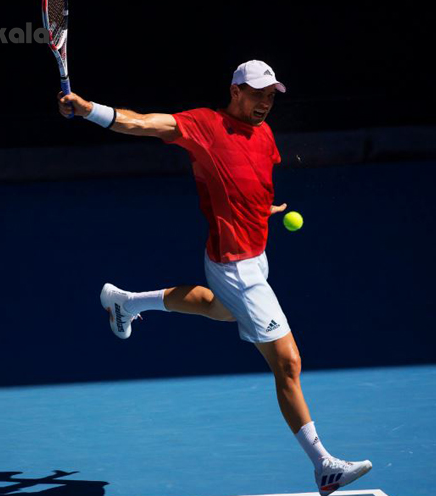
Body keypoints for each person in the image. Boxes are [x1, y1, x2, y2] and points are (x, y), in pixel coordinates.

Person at [57, 60, 372, 494]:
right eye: (257, 93)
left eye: (271, 95)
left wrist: (261, 209)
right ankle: (324, 466)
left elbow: (250, 180)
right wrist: (88, 108)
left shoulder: (265, 134)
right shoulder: (204, 126)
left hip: (255, 256)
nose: (265, 103)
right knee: (287, 362)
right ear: (234, 91)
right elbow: (142, 123)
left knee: (217, 308)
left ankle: (125, 302)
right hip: (235, 265)